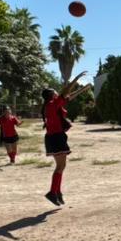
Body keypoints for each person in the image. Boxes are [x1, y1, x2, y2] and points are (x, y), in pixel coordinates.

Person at [41, 71, 91, 206]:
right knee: (60, 166)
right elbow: (66, 91)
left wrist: (83, 89)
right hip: (55, 137)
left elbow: (69, 96)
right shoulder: (52, 104)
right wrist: (77, 78)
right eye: (55, 92)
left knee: (61, 166)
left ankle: (57, 192)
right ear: (52, 95)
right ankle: (52, 192)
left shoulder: (53, 104)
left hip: (56, 137)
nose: (57, 93)